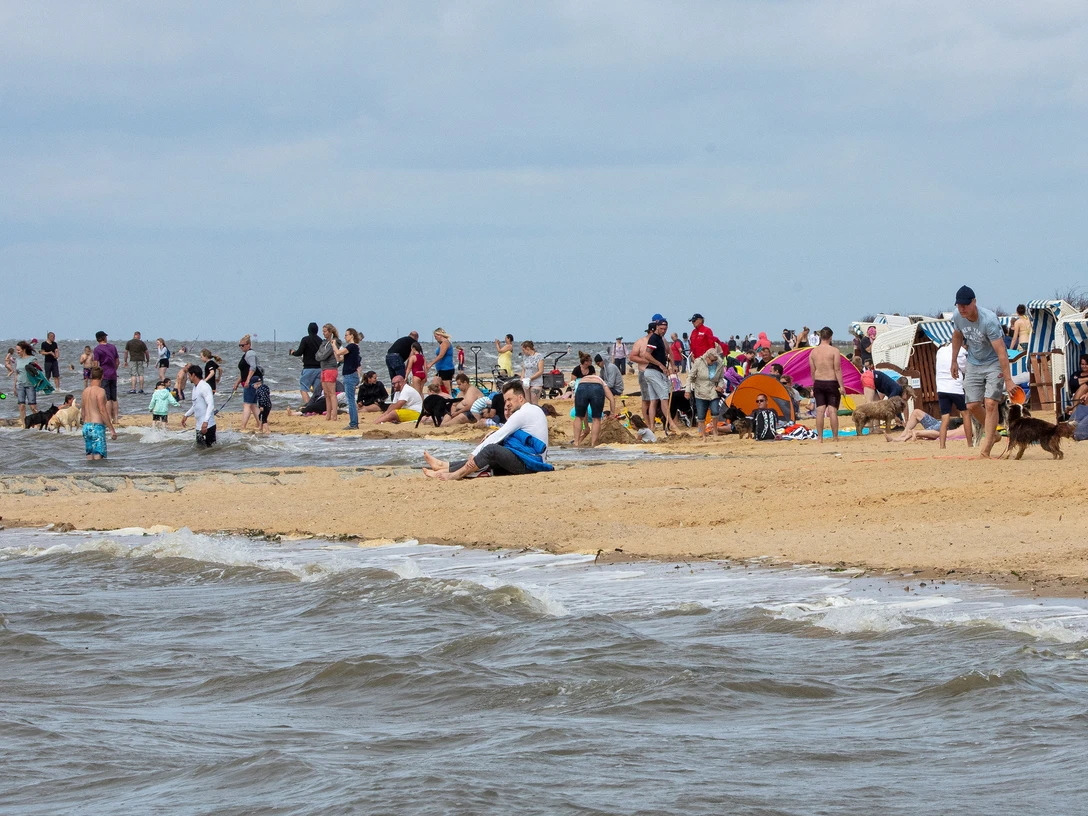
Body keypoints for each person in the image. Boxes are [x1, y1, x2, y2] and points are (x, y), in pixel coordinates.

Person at [423, 380, 552, 479]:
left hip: (531, 464)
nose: (507, 404)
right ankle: (444, 467)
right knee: (489, 455)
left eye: (509, 399)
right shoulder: (532, 409)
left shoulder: (522, 413)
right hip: (531, 459)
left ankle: (455, 474)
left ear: (520, 398)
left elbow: (500, 435)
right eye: (505, 400)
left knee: (491, 449)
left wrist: (474, 454)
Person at [951, 285, 1015, 458]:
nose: (962, 308)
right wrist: (954, 360)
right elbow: (957, 336)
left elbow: (1001, 351)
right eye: (959, 305)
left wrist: (1008, 380)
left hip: (994, 362)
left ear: (974, 302)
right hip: (974, 361)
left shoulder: (989, 320)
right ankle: (993, 433)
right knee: (971, 405)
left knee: (991, 402)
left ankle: (985, 450)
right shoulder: (957, 316)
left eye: (965, 304)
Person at [809, 326, 844, 442]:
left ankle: (820, 438)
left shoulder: (813, 352)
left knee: (820, 410)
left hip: (819, 382)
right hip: (831, 382)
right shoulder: (834, 351)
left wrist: (814, 385)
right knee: (832, 410)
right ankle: (835, 437)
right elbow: (837, 369)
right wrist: (842, 386)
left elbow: (812, 371)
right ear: (830, 337)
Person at [934, 342, 973, 448]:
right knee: (965, 414)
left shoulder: (940, 351)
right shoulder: (961, 351)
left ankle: (942, 446)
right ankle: (970, 444)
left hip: (941, 387)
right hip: (955, 387)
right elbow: (965, 369)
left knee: (945, 417)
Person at [641, 319, 674, 436]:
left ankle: (652, 427)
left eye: (665, 329)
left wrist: (667, 360)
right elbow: (646, 354)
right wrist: (660, 364)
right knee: (664, 397)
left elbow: (663, 353)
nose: (663, 331)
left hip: (651, 372)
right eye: (661, 329)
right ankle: (672, 424)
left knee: (654, 401)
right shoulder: (654, 338)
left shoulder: (660, 339)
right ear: (656, 328)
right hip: (653, 372)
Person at [686, 346, 725, 441]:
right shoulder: (698, 362)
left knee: (715, 412)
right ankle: (703, 435)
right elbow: (690, 377)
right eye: (712, 360)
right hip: (700, 391)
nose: (714, 362)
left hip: (713, 391)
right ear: (707, 357)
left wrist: (720, 386)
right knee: (701, 415)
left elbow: (721, 378)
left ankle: (715, 432)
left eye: (715, 360)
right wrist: (687, 390)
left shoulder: (719, 363)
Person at [571, 371, 616, 447]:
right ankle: (593, 444)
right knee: (596, 418)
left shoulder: (581, 380)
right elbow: (611, 399)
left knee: (578, 417)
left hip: (582, 387)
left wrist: (586, 426)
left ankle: (576, 442)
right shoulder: (600, 380)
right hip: (597, 388)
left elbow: (584, 409)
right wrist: (612, 413)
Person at [80, 366, 117, 459]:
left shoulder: (85, 391)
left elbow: (83, 411)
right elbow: (102, 411)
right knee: (98, 457)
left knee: (89, 455)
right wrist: (111, 429)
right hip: (97, 427)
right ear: (102, 376)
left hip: (86, 426)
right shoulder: (100, 391)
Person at [180, 364, 216, 447]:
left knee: (211, 449)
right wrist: (186, 415)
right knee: (200, 449)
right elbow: (195, 405)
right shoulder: (195, 388)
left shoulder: (204, 386)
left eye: (189, 375)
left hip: (208, 425)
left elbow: (210, 404)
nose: (188, 377)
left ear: (193, 375)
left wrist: (206, 422)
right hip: (199, 426)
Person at [234, 334, 263, 432]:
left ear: (249, 345)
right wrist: (237, 382)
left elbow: (253, 368)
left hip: (253, 380)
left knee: (247, 404)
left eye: (243, 345)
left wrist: (247, 380)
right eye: (240, 345)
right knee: (253, 405)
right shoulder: (246, 354)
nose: (241, 347)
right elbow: (244, 371)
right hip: (254, 380)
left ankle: (243, 426)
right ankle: (261, 424)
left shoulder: (250, 354)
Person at [289, 322, 323, 403]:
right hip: (319, 368)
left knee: (303, 389)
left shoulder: (305, 339)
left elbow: (299, 352)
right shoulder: (320, 340)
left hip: (308, 368)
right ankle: (317, 406)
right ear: (317, 330)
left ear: (308, 330)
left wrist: (293, 352)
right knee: (317, 391)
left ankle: (308, 406)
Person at [315, 323, 342, 422]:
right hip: (323, 368)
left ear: (330, 332)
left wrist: (321, 355)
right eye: (323, 331)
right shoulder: (324, 342)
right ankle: (328, 414)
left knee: (332, 393)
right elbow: (317, 355)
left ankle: (334, 415)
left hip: (331, 368)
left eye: (325, 331)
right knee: (326, 393)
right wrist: (320, 355)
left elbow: (324, 355)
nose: (323, 333)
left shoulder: (335, 341)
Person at [92, 331, 120, 423]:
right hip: (113, 374)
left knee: (107, 398)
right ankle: (116, 418)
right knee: (114, 398)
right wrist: (114, 369)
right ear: (103, 338)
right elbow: (117, 361)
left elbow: (96, 364)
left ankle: (109, 418)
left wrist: (97, 375)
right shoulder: (112, 347)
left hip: (104, 374)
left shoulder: (97, 349)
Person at [337, 328, 363, 429]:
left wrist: (334, 346)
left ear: (351, 335)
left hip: (350, 376)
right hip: (351, 375)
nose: (345, 337)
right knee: (351, 400)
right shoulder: (354, 348)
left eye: (346, 335)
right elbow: (340, 358)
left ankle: (353, 423)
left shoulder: (352, 346)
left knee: (350, 401)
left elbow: (339, 353)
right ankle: (353, 423)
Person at [13, 341, 39, 424]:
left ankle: (37, 425)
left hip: (30, 385)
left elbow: (38, 372)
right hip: (20, 385)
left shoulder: (32, 359)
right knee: (21, 406)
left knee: (33, 407)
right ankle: (24, 425)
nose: (17, 352)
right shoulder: (18, 360)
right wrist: (14, 386)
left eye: (18, 350)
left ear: (24, 350)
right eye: (16, 350)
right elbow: (16, 373)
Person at [428, 328, 455, 394]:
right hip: (441, 369)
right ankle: (441, 398)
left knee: (447, 388)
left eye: (435, 336)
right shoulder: (443, 343)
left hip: (446, 369)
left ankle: (451, 399)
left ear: (440, 335)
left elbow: (441, 355)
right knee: (435, 386)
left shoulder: (445, 343)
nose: (435, 338)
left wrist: (431, 364)